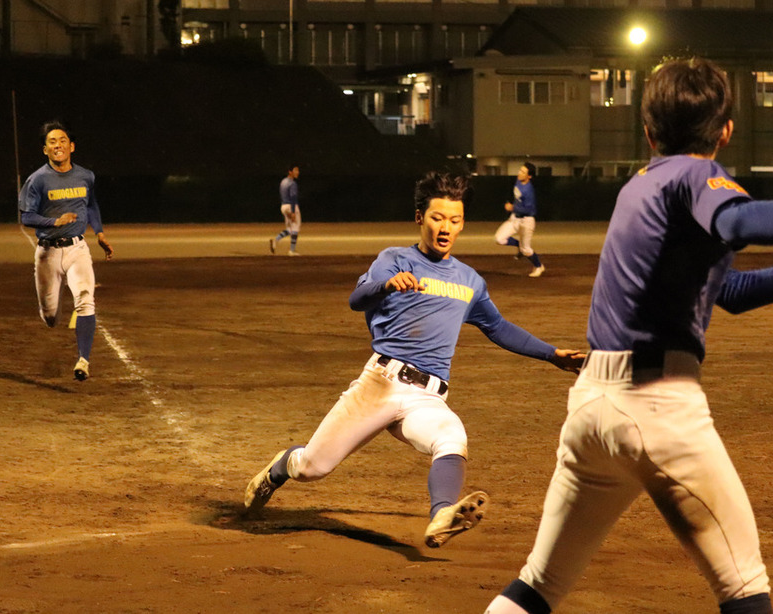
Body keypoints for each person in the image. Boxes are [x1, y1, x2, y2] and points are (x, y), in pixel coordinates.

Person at [485, 57, 773, 614]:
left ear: (647, 129)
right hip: (656, 405)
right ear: (727, 130)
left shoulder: (640, 187)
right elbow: (740, 223)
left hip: (592, 408)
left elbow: (725, 292)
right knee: (743, 587)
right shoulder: (694, 176)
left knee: (538, 585)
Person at [245, 171, 584, 547]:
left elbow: (498, 327)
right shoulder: (394, 259)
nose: (446, 228)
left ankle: (442, 514)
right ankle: (279, 468)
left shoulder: (469, 280)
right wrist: (386, 284)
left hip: (428, 397)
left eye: (455, 220)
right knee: (312, 468)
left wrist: (552, 355)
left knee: (452, 437)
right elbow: (357, 300)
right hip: (380, 385)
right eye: (438, 218)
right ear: (420, 217)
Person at [18, 120, 114, 381]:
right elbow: (26, 216)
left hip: (77, 249)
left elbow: (91, 205)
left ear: (71, 146)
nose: (57, 145)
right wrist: (53, 222)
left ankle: (83, 360)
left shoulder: (86, 176)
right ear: (45, 150)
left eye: (62, 141)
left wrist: (100, 233)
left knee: (85, 298)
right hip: (47, 253)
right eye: (51, 142)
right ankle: (51, 307)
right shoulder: (37, 180)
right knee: (50, 316)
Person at [495, 162, 545, 278]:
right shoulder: (518, 182)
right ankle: (518, 245)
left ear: (529, 176)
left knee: (526, 249)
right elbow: (516, 197)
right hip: (514, 219)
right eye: (520, 170)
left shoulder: (529, 191)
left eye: (523, 172)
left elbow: (529, 209)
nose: (519, 173)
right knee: (499, 239)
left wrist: (513, 207)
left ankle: (538, 266)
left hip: (526, 221)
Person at [270, 164, 301, 256]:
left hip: (283, 206)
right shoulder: (292, 183)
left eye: (298, 170)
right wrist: (292, 211)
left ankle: (276, 240)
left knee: (290, 229)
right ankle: (291, 250)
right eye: (295, 170)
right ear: (290, 171)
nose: (297, 172)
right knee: (296, 228)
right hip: (291, 206)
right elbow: (293, 197)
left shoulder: (283, 182)